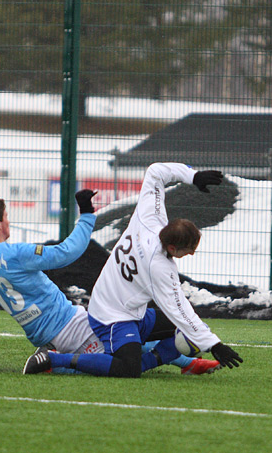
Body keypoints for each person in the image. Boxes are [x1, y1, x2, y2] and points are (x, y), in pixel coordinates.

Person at [0, 190, 219, 376]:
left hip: (46, 333)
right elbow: (66, 252)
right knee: (124, 356)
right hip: (71, 324)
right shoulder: (16, 253)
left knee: (128, 343)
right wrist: (87, 215)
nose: (8, 221)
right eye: (6, 217)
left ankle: (189, 363)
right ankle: (188, 363)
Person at [82, 162, 243, 378]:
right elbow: (179, 310)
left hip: (129, 310)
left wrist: (193, 176)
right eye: (188, 250)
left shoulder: (150, 218)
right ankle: (55, 359)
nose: (192, 254)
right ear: (172, 247)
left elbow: (155, 171)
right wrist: (215, 346)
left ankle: (177, 361)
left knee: (194, 332)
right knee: (129, 369)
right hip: (110, 316)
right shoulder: (159, 267)